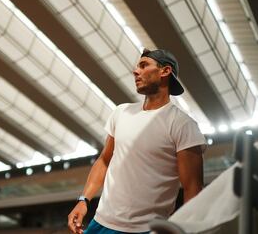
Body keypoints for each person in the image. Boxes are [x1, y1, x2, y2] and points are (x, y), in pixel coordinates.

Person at [68, 49, 206, 234]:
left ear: (165, 71)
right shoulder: (121, 112)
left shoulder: (182, 124)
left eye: (143, 65)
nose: (135, 71)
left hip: (144, 230)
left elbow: (193, 189)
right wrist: (84, 200)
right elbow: (104, 160)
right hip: (99, 222)